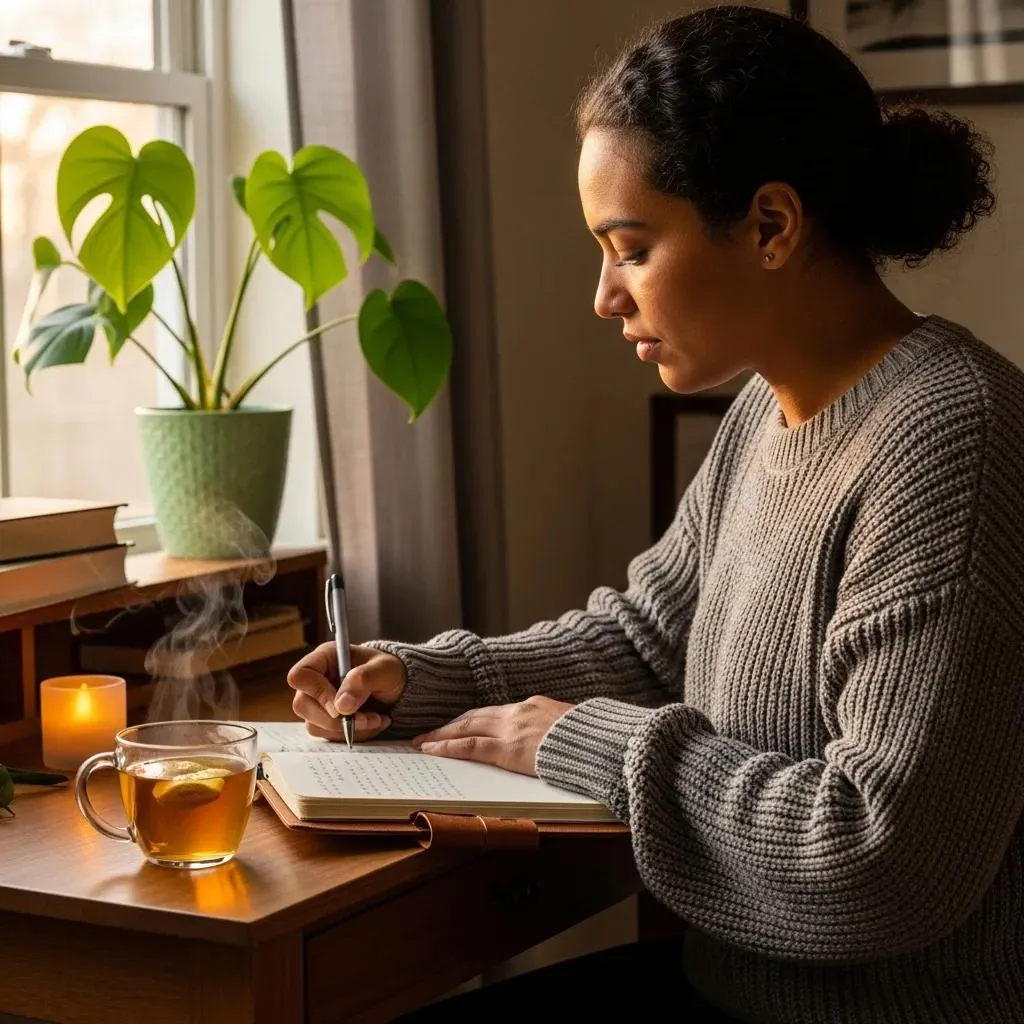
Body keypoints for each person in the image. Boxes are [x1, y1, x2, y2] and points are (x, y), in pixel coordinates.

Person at [287, 7, 1024, 1022]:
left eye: (628, 248)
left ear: (770, 224)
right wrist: (420, 678)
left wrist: (580, 741)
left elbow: (879, 863)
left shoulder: (955, 439)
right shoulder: (767, 407)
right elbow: (647, 639)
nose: (604, 296)